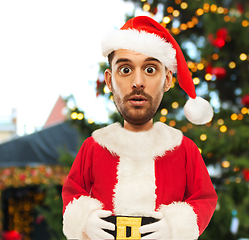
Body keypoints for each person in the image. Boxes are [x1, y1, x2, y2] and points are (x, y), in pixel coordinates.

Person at [62, 16, 217, 240]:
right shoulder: (93, 148)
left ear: (167, 79)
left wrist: (176, 226)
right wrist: (84, 220)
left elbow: (204, 199)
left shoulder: (184, 150)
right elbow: (72, 193)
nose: (138, 82)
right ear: (109, 80)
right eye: (125, 70)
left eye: (151, 69)